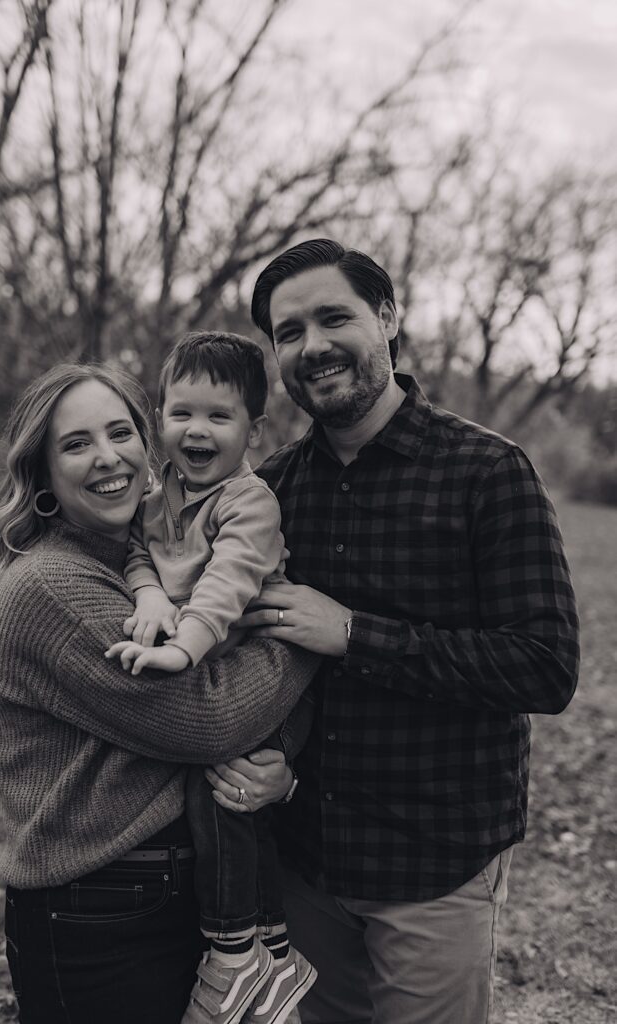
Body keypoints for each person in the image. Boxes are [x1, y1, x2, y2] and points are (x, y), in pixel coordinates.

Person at [209, 238, 580, 1024]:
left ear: (386, 317)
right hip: (306, 862)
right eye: (289, 332)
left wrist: (353, 632)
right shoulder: (269, 493)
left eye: (332, 317)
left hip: (435, 864)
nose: (312, 346)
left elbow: (544, 666)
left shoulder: (486, 471)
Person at [0, 361, 319, 1024]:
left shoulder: (143, 551)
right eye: (76, 444)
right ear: (42, 474)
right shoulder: (53, 585)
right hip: (98, 913)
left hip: (167, 893)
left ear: (147, 441)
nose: (108, 457)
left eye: (120, 432)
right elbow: (208, 719)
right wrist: (304, 632)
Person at [106, 332, 317, 1024]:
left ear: (253, 430)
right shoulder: (157, 492)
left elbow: (227, 585)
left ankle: (233, 951)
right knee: (228, 801)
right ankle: (277, 956)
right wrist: (149, 597)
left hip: (268, 679)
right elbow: (137, 554)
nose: (196, 431)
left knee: (222, 793)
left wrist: (183, 647)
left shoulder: (248, 502)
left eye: (218, 417)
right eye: (180, 413)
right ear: (159, 418)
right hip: (218, 662)